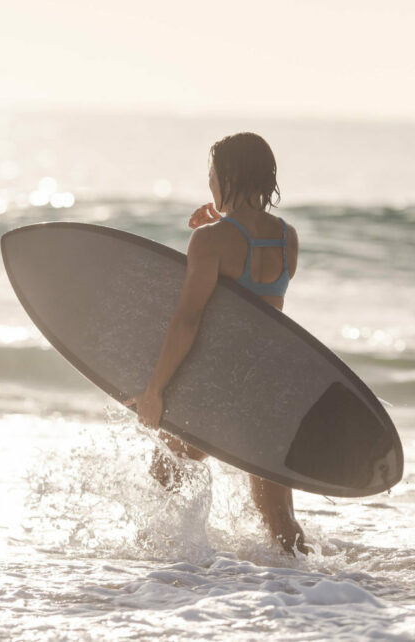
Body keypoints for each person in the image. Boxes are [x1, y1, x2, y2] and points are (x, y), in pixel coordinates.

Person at [124, 132, 308, 556]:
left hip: (222, 388)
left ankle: (169, 566)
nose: (208, 184)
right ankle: (320, 590)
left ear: (227, 176)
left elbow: (189, 321)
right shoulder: (287, 239)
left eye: (211, 176)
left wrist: (154, 391)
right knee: (279, 520)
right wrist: (222, 219)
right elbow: (257, 307)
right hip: (270, 390)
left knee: (165, 475)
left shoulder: (208, 241)